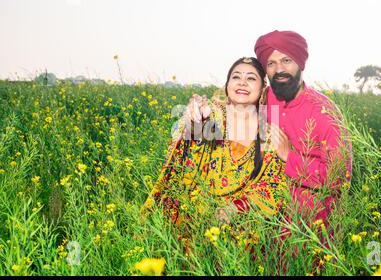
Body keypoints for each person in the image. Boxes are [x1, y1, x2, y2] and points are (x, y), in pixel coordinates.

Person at [188, 30, 352, 234]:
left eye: (286, 60)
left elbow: (340, 178)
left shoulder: (325, 113)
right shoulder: (268, 98)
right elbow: (236, 94)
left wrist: (288, 156)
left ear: (300, 63)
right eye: (271, 64)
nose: (279, 69)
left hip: (311, 224)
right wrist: (202, 108)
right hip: (267, 223)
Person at [141, 57, 289, 235]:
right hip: (198, 207)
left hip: (243, 216)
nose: (242, 82)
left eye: (251, 78)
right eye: (236, 77)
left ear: (263, 88)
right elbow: (193, 142)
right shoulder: (214, 113)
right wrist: (196, 122)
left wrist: (236, 208)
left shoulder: (269, 125)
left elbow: (272, 184)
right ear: (227, 85)